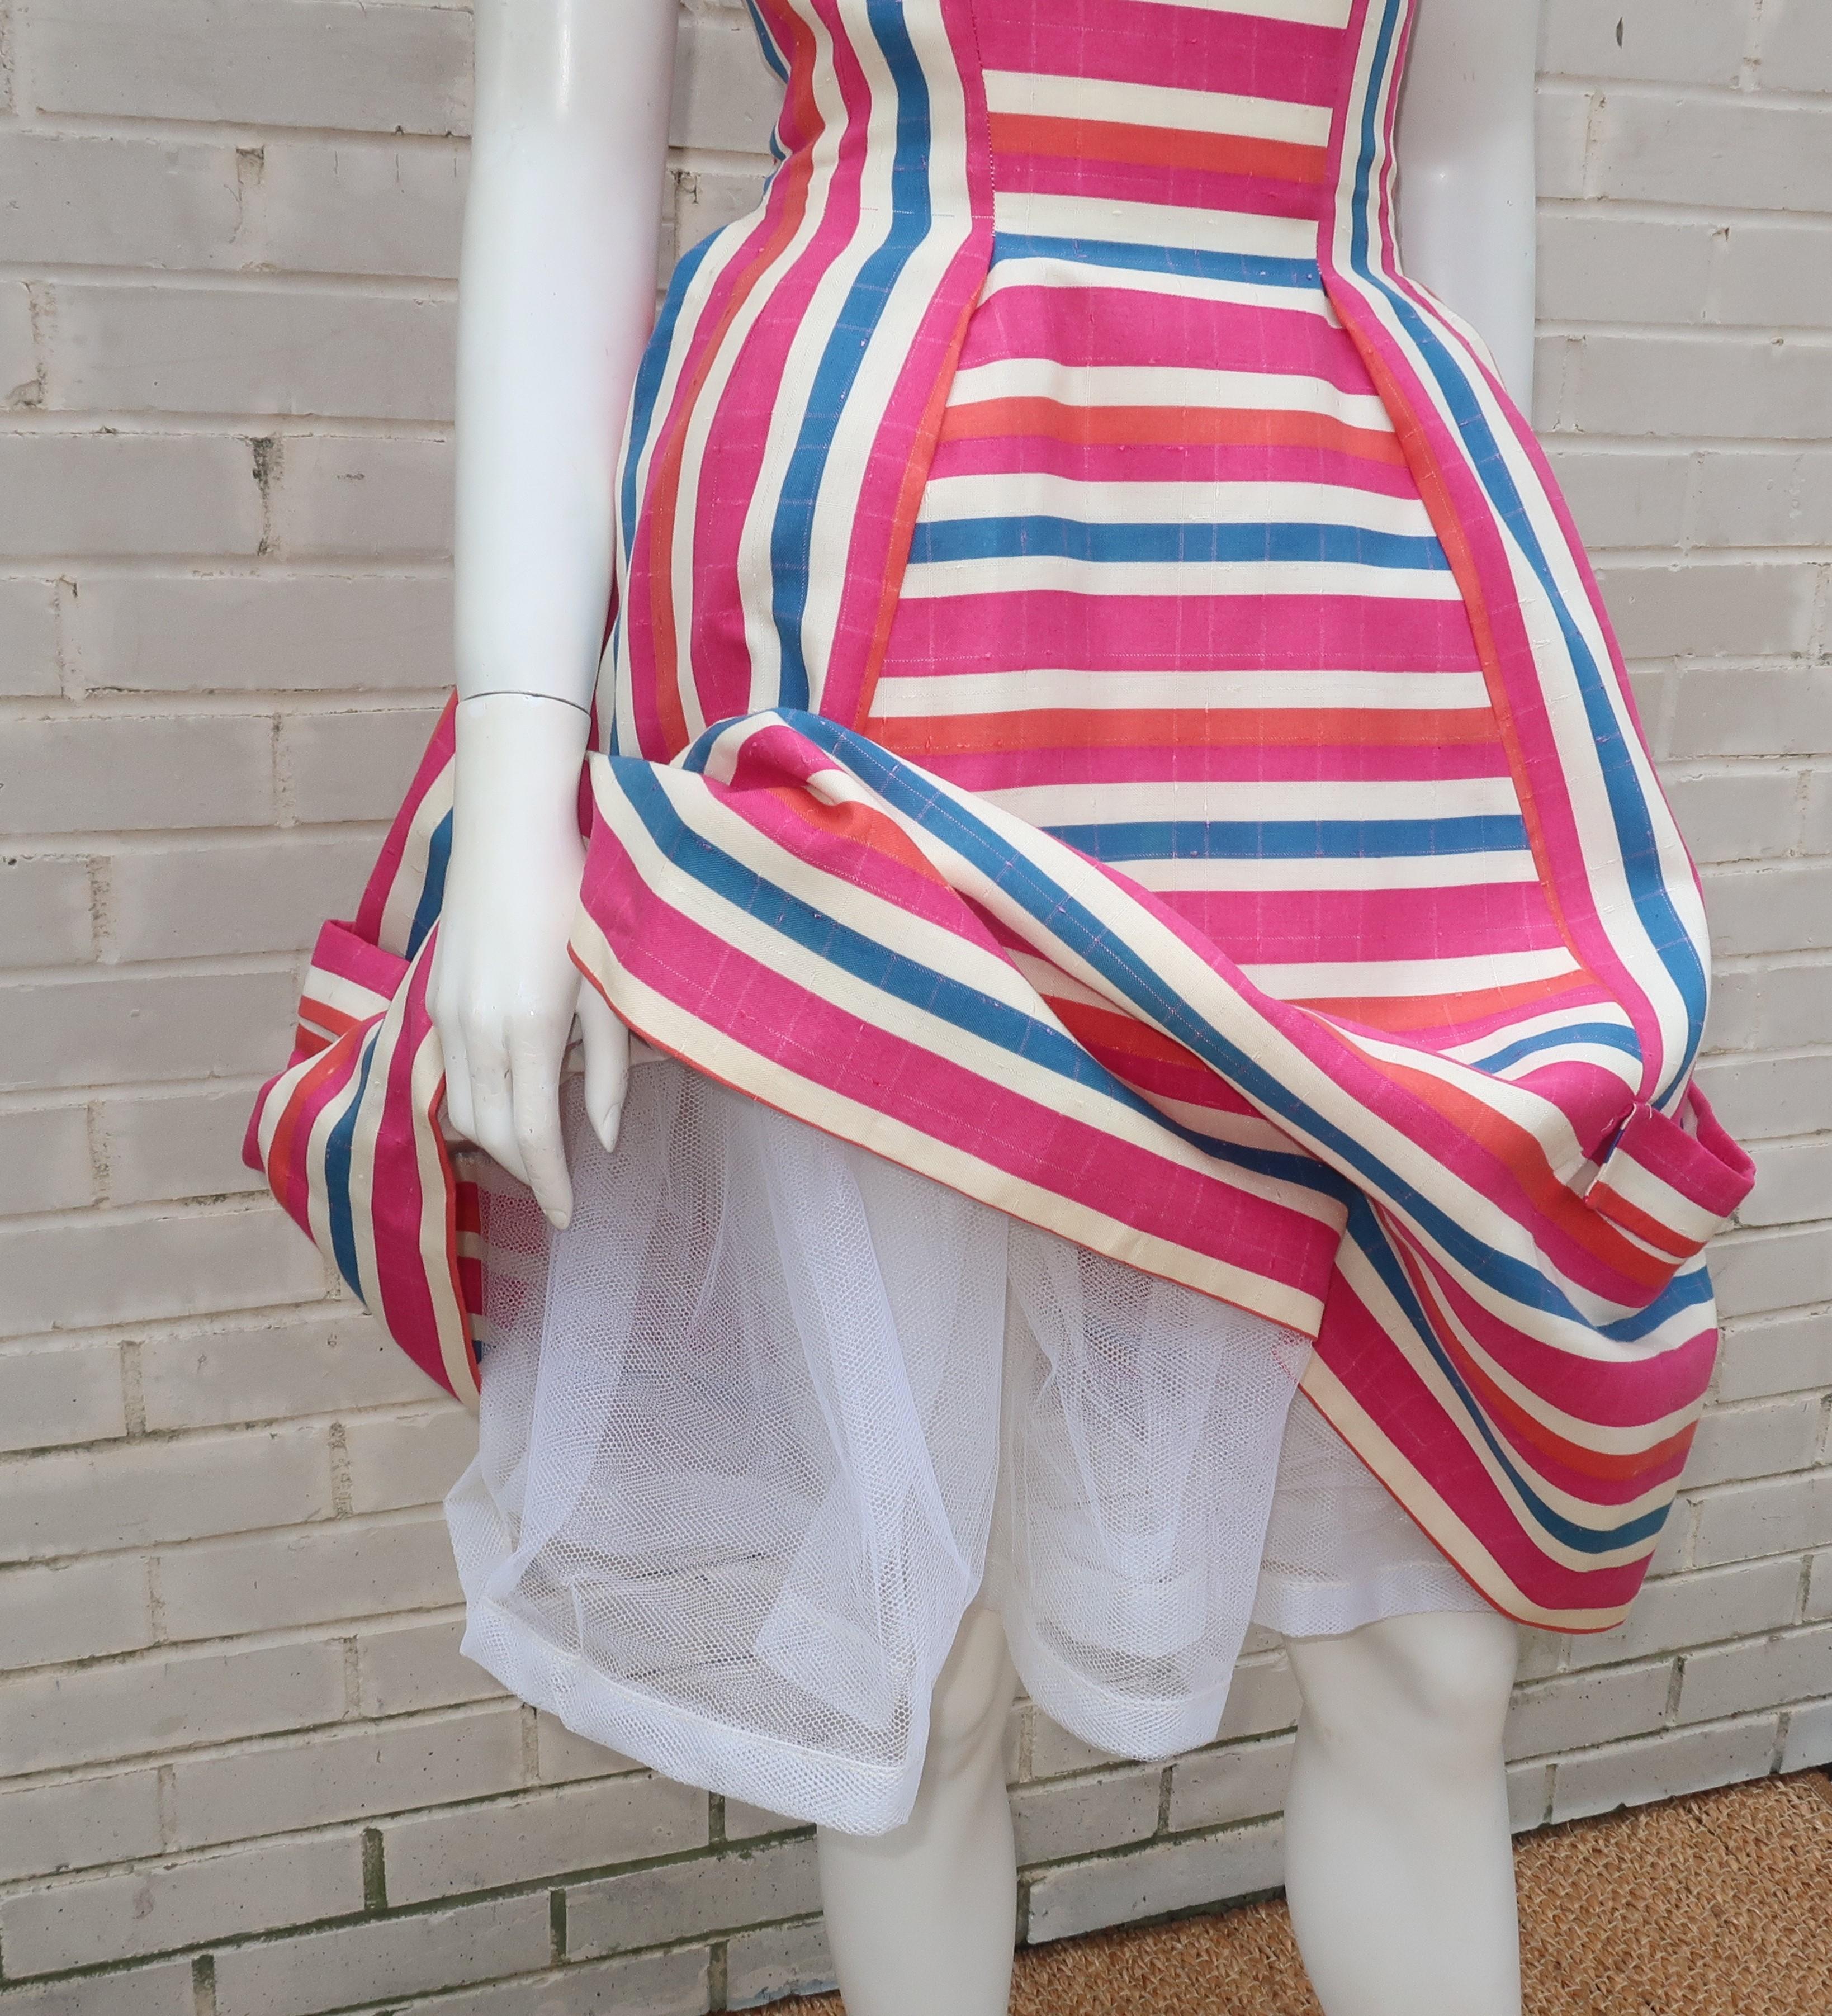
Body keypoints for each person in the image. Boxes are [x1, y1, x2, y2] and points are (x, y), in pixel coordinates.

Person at [245, 2, 1754, 2011]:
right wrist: (524, 779)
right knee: (918, 1647)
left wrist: (1487, 668)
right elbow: (569, 133)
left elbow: (1463, 159)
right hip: (879, 595)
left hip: (1361, 631)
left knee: (1429, 1644)